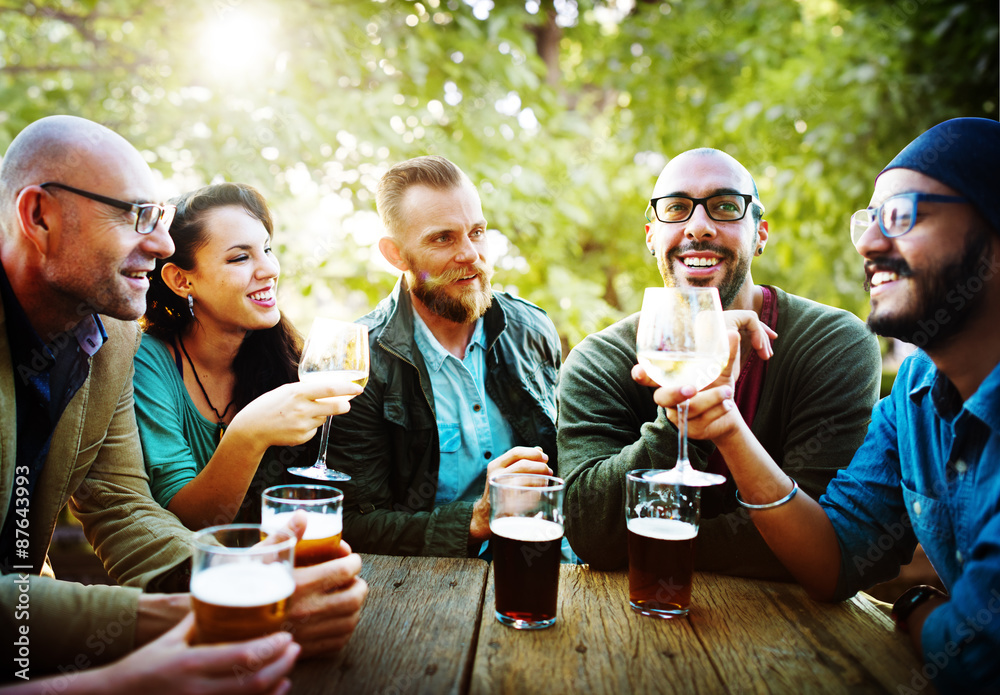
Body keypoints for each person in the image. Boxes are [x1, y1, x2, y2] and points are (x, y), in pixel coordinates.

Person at [0, 116, 364, 684]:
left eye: (161, 219)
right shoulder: (146, 353)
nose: (163, 243)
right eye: (134, 215)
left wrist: (240, 585)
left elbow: (124, 509)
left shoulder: (110, 338)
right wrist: (201, 612)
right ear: (39, 216)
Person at [648, 118, 1000, 691]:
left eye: (904, 216)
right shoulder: (912, 395)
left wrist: (916, 611)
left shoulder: (839, 347)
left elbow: (980, 658)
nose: (867, 244)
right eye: (869, 221)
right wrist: (728, 426)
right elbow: (834, 559)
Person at [559, 148, 883, 578]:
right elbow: (590, 531)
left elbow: (822, 539)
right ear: (651, 234)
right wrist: (678, 419)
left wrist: (643, 539)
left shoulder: (834, 344)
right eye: (676, 209)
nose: (698, 227)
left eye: (725, 207)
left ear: (760, 233)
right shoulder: (598, 361)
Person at [326, 155, 561, 557]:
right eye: (443, 238)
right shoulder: (360, 361)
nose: (470, 254)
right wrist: (475, 519)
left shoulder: (532, 329)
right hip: (424, 588)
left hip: (539, 564)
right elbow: (353, 523)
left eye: (477, 232)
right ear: (396, 255)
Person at [134, 182, 361, 529]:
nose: (269, 269)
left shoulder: (282, 357)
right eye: (240, 257)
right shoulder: (149, 362)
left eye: (267, 249)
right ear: (181, 280)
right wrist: (249, 433)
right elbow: (184, 522)